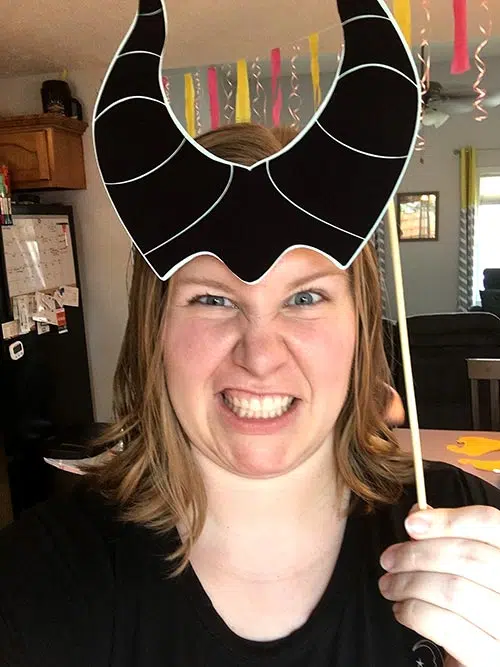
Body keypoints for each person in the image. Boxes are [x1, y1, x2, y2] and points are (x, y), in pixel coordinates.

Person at [0, 124, 499, 667]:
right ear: (154, 331)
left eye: (305, 297)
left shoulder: (479, 533)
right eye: (214, 299)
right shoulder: (42, 578)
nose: (260, 355)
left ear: (359, 328)